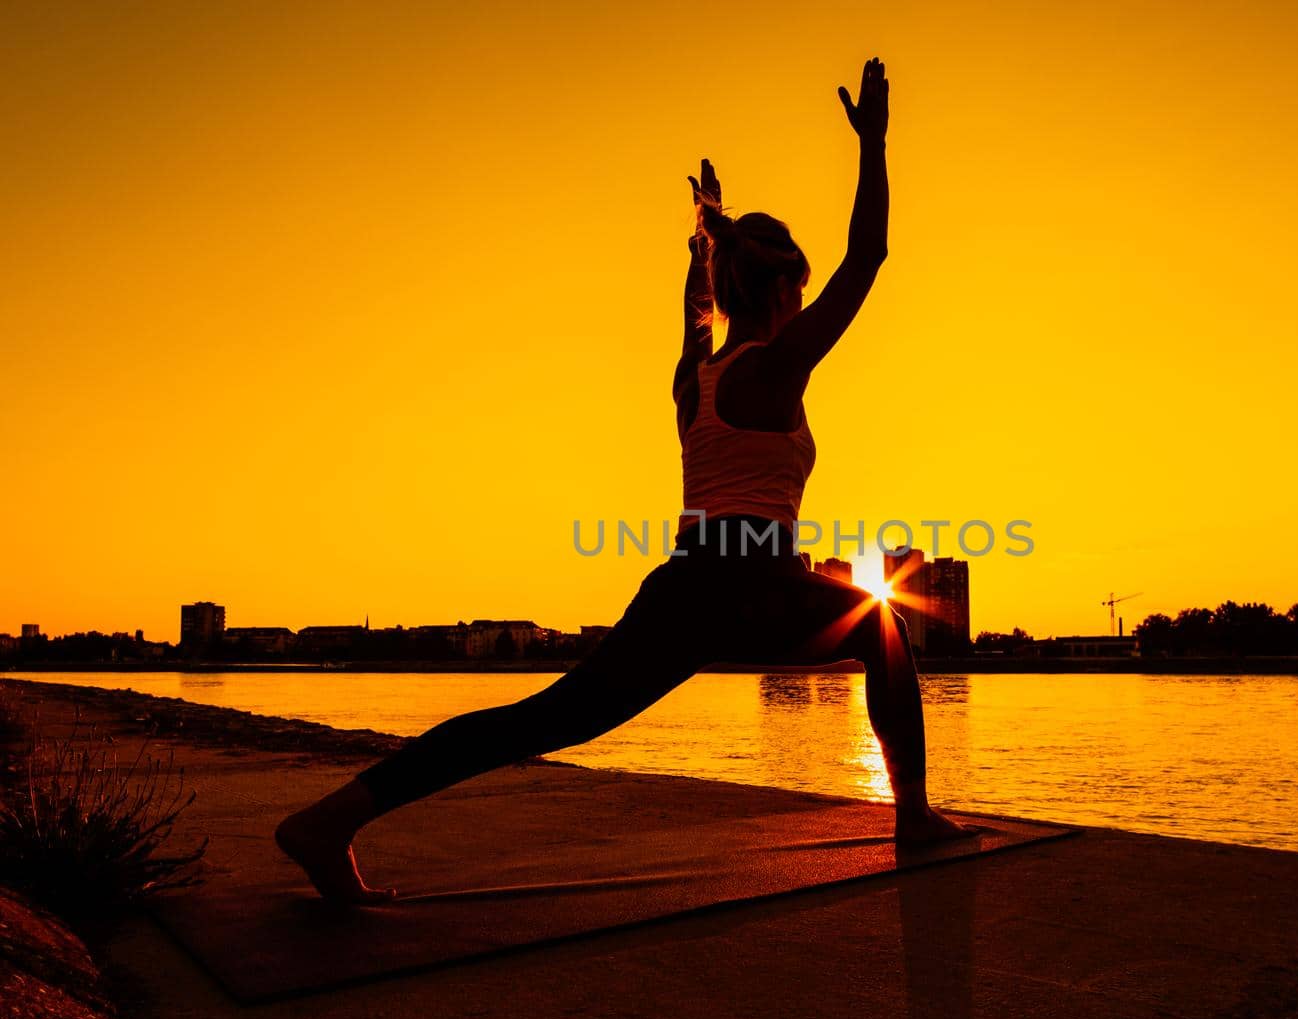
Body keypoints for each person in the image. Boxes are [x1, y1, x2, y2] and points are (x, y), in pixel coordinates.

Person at [277, 57, 970, 905]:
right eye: (799, 283)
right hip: (754, 583)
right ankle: (915, 817)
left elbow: (691, 312)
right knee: (885, 628)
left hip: (684, 585)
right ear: (786, 287)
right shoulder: (780, 365)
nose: (804, 297)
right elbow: (870, 255)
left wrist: (703, 231)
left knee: (546, 717)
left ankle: (332, 819)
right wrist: (874, 146)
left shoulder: (696, 378)